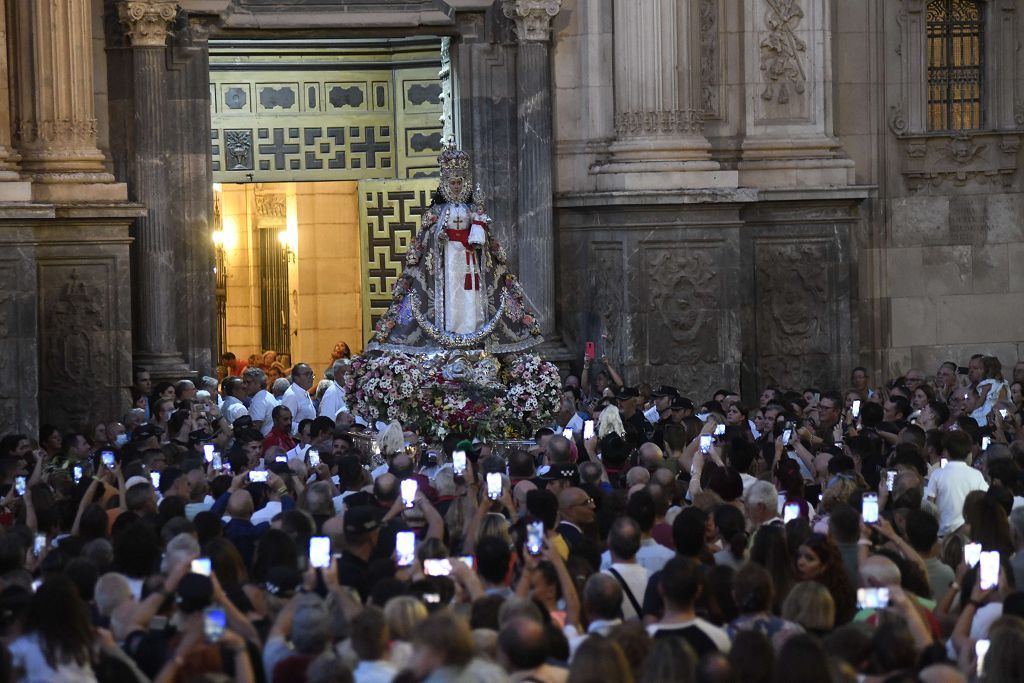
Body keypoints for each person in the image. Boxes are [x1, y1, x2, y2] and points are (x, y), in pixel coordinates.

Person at [366, 144, 542, 353]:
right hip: (446, 263)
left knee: (471, 296)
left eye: (459, 182)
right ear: (446, 183)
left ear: (464, 183)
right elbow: (425, 238)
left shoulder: (472, 209)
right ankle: (448, 332)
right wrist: (437, 236)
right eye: (453, 182)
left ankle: (473, 331)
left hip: (469, 262)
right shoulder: (437, 211)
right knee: (450, 297)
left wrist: (478, 232)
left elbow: (485, 237)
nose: (457, 186)